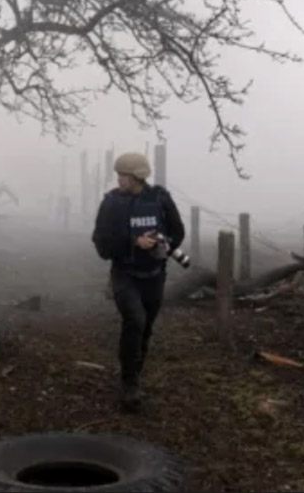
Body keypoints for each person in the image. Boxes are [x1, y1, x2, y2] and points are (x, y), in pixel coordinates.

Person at [91, 151, 185, 413]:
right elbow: (101, 243)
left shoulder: (160, 199)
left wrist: (162, 243)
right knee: (135, 320)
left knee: (145, 328)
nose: (120, 180)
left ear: (138, 176)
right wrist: (133, 242)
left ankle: (134, 371)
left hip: (154, 275)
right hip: (124, 274)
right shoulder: (112, 204)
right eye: (119, 175)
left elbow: (178, 232)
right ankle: (129, 383)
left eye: (125, 175)